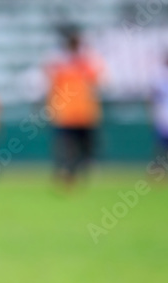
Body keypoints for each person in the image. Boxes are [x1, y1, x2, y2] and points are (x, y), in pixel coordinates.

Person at [44, 28, 105, 188]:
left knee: (83, 146)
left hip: (84, 113)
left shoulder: (87, 61)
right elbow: (52, 86)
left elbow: (98, 80)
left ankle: (76, 173)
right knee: (66, 145)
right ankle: (66, 172)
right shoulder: (59, 62)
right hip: (67, 112)